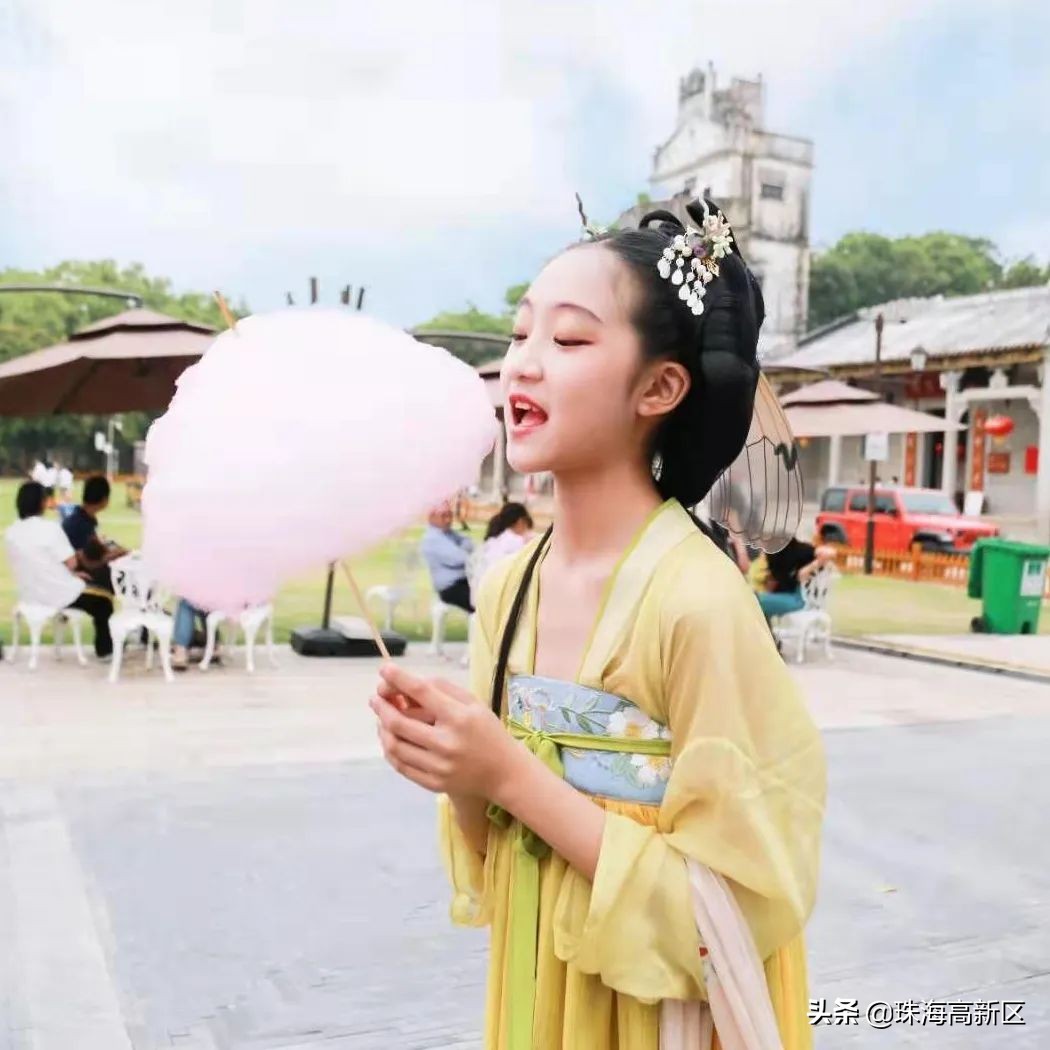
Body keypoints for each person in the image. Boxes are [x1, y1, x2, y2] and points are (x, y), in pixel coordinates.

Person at [371, 199, 825, 1047]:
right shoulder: (508, 587)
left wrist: (508, 774)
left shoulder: (697, 602)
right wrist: (458, 770)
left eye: (569, 340)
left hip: (657, 1015)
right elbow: (496, 851)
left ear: (659, 387)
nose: (523, 365)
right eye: (519, 334)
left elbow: (737, 908)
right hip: (537, 988)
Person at [4, 481, 114, 659]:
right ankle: (105, 650)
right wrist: (75, 573)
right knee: (103, 600)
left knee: (91, 590)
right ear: (42, 503)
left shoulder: (11, 532)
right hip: (58, 593)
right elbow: (72, 563)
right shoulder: (50, 529)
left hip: (29, 594)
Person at [62, 475, 129, 593]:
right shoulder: (78, 524)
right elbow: (88, 563)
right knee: (122, 576)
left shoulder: (83, 517)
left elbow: (93, 545)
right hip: (78, 575)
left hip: (80, 569)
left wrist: (110, 550)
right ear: (104, 499)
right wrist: (114, 555)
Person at [757, 538, 834, 622]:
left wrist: (810, 568)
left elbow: (829, 552)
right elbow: (774, 581)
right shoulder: (773, 556)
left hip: (801, 600)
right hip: (788, 596)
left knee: (755, 600)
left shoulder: (797, 549)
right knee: (756, 601)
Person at [420, 500, 475, 613]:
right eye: (443, 516)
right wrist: (465, 550)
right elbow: (459, 558)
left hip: (464, 581)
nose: (448, 520)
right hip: (451, 588)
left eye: (450, 516)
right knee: (484, 602)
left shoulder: (448, 533)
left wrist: (464, 549)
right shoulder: (433, 538)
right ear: (432, 518)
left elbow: (470, 543)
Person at [472, 502, 534, 595]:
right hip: (499, 592)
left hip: (482, 592)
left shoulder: (496, 540)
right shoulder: (518, 542)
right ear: (521, 521)